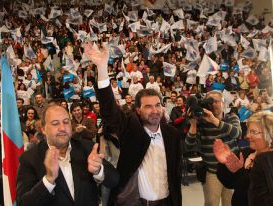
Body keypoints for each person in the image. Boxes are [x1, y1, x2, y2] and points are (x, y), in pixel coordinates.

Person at [84, 42, 182, 206]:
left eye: (157, 105)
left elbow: (175, 174)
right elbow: (109, 110)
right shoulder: (131, 129)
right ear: (138, 110)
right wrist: (101, 68)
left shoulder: (172, 134)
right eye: (148, 107)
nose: (155, 110)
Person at [16, 104, 119, 206]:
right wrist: (49, 179)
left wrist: (98, 170)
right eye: (55, 123)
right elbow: (23, 203)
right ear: (43, 129)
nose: (62, 128)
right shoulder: (29, 159)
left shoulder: (87, 147)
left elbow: (114, 180)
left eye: (66, 122)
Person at [185, 90, 242, 206]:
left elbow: (237, 133)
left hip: (232, 170)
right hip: (212, 172)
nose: (213, 104)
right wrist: (193, 125)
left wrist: (214, 120)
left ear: (223, 102)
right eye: (209, 102)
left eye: (216, 101)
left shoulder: (231, 117)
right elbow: (189, 146)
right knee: (211, 203)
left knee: (231, 203)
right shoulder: (201, 123)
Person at [213, 111, 273, 206]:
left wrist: (241, 173)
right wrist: (225, 164)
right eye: (248, 131)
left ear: (270, 135)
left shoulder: (269, 162)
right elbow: (229, 183)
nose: (247, 136)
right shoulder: (246, 153)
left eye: (253, 132)